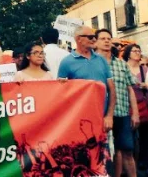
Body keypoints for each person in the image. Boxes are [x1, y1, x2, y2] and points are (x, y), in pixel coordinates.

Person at [95, 29, 138, 177]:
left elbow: (130, 89)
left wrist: (135, 113)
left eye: (108, 38)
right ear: (95, 42)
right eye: (102, 38)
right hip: (100, 116)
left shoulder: (121, 64)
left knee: (126, 150)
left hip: (122, 113)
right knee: (107, 154)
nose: (107, 41)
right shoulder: (92, 64)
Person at [57, 26, 115, 135]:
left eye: (94, 37)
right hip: (79, 121)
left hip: (102, 119)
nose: (94, 39)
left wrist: (109, 116)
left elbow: (111, 89)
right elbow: (61, 93)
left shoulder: (101, 59)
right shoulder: (66, 62)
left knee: (104, 152)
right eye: (90, 37)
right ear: (78, 39)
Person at [124, 43, 148, 172]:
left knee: (144, 137)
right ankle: (132, 161)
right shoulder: (123, 67)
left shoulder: (144, 69)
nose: (138, 53)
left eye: (139, 50)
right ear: (128, 53)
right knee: (131, 137)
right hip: (128, 106)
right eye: (134, 51)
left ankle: (142, 163)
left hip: (143, 106)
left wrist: (145, 86)